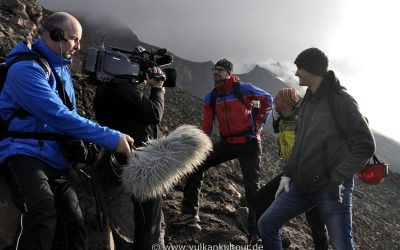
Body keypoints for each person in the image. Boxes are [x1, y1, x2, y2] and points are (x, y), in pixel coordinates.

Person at [0, 12, 134, 250]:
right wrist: (110, 137)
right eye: (74, 39)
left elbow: (69, 113)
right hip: (24, 152)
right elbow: (58, 115)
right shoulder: (26, 69)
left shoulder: (60, 66)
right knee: (42, 210)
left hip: (55, 157)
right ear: (55, 35)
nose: (79, 46)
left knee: (74, 223)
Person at [257, 48, 375, 250]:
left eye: (299, 68)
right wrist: (287, 173)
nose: (295, 73)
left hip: (330, 188)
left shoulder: (341, 100)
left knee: (342, 245)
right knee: (266, 224)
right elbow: (300, 143)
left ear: (311, 68)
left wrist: (337, 179)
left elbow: (365, 145)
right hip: (301, 185)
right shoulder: (307, 102)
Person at [171, 58, 273, 245]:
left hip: (249, 143)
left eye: (220, 69)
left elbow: (268, 99)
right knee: (197, 164)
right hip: (227, 143)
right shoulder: (212, 97)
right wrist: (202, 144)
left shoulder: (243, 89)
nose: (216, 72)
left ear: (229, 73)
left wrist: (258, 123)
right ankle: (189, 215)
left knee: (252, 190)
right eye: (214, 69)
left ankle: (255, 234)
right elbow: (207, 123)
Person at [93, 66, 167, 250]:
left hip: (115, 157)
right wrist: (157, 88)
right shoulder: (121, 87)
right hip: (136, 157)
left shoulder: (104, 89)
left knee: (149, 217)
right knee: (149, 221)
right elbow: (154, 114)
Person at [254, 88, 328, 250]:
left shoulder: (302, 122)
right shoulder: (283, 119)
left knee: (316, 221)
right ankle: (273, 240)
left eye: (278, 98)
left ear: (287, 102)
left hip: (312, 176)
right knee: (260, 200)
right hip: (294, 172)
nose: (275, 100)